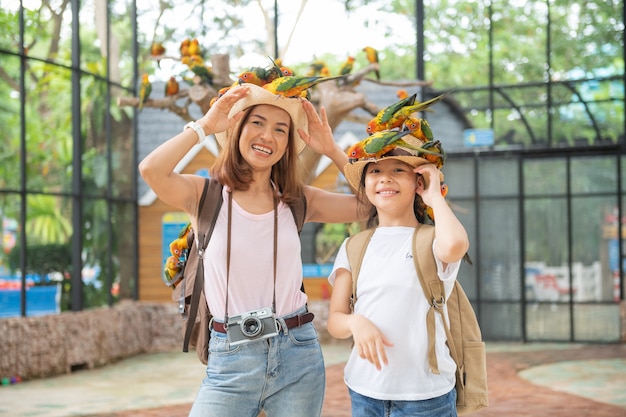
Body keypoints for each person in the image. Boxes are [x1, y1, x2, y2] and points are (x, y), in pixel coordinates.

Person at [139, 83, 363, 417]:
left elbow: (370, 204)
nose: (267, 136)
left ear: (288, 142)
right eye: (257, 123)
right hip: (231, 356)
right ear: (238, 128)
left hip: (297, 353)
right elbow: (151, 170)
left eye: (280, 129)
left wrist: (332, 149)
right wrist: (205, 125)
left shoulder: (298, 199)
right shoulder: (205, 194)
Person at [326, 132, 470, 417]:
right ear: (365, 184)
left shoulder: (433, 239)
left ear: (418, 181)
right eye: (375, 170)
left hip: (426, 396)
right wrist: (355, 323)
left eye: (398, 170)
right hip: (365, 392)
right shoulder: (353, 245)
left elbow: (455, 245)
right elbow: (335, 321)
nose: (385, 178)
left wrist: (433, 195)